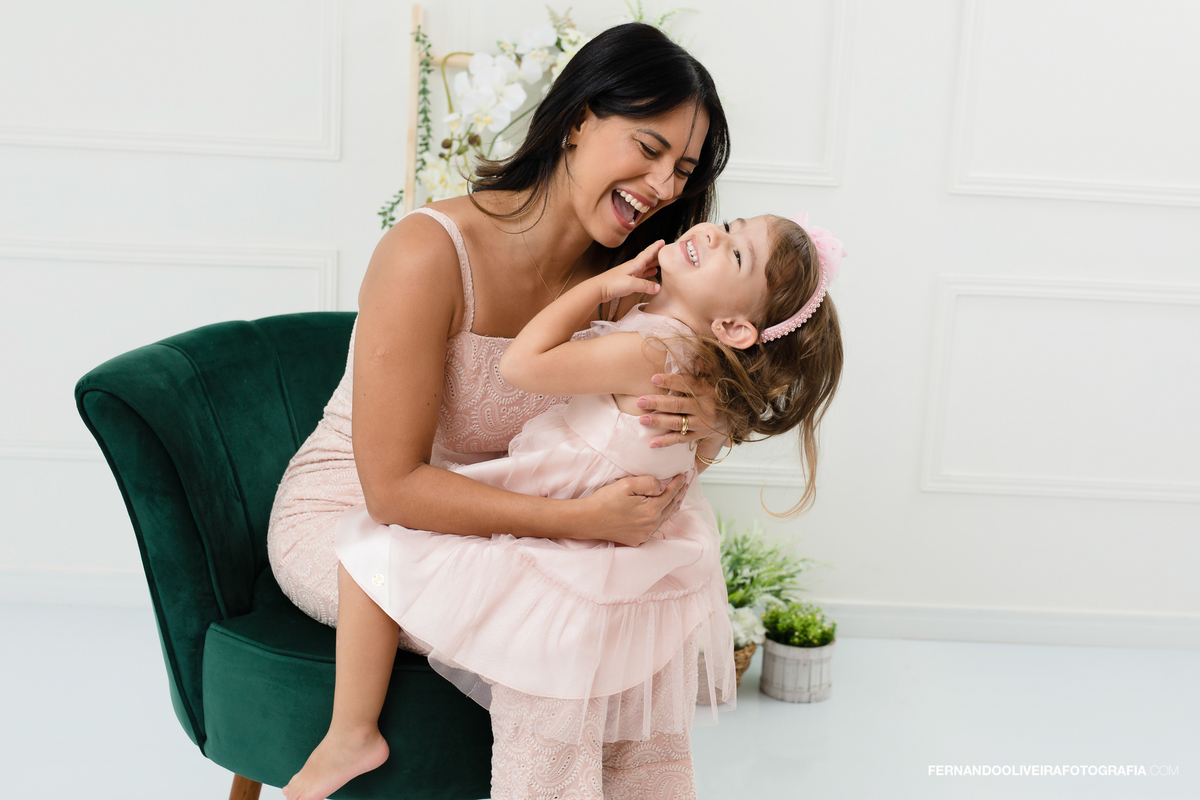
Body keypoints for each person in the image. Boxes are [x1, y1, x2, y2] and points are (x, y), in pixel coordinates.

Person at [268, 20, 732, 800]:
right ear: (579, 120)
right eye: (648, 150)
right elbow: (392, 493)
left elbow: (659, 439)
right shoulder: (429, 252)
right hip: (362, 526)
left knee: (635, 601)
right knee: (570, 622)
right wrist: (588, 525)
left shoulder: (641, 283)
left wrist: (705, 419)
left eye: (682, 169)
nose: (663, 189)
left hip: (513, 527)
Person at [284, 211, 846, 800]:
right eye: (729, 225)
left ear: (733, 327)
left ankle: (352, 731)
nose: (712, 234)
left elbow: (520, 366)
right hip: (612, 544)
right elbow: (699, 455)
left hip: (566, 531)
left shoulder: (648, 350)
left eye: (736, 254)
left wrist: (596, 290)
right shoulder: (698, 370)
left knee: (372, 548)